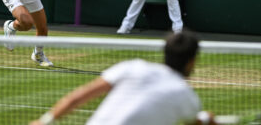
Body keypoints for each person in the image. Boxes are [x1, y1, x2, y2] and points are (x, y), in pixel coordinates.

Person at [29, 31, 216, 125]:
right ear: (191, 62)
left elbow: (79, 97)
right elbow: (196, 121)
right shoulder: (186, 96)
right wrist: (207, 119)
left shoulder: (132, 67)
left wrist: (45, 121)